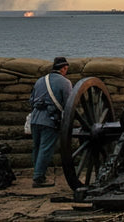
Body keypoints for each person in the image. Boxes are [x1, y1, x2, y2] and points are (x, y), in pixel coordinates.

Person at [28, 56, 72, 188]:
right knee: (45, 149)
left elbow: (31, 101)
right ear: (64, 68)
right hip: (50, 120)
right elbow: (69, 104)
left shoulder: (40, 81)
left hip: (35, 118)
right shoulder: (65, 83)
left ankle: (38, 173)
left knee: (36, 147)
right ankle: (38, 178)